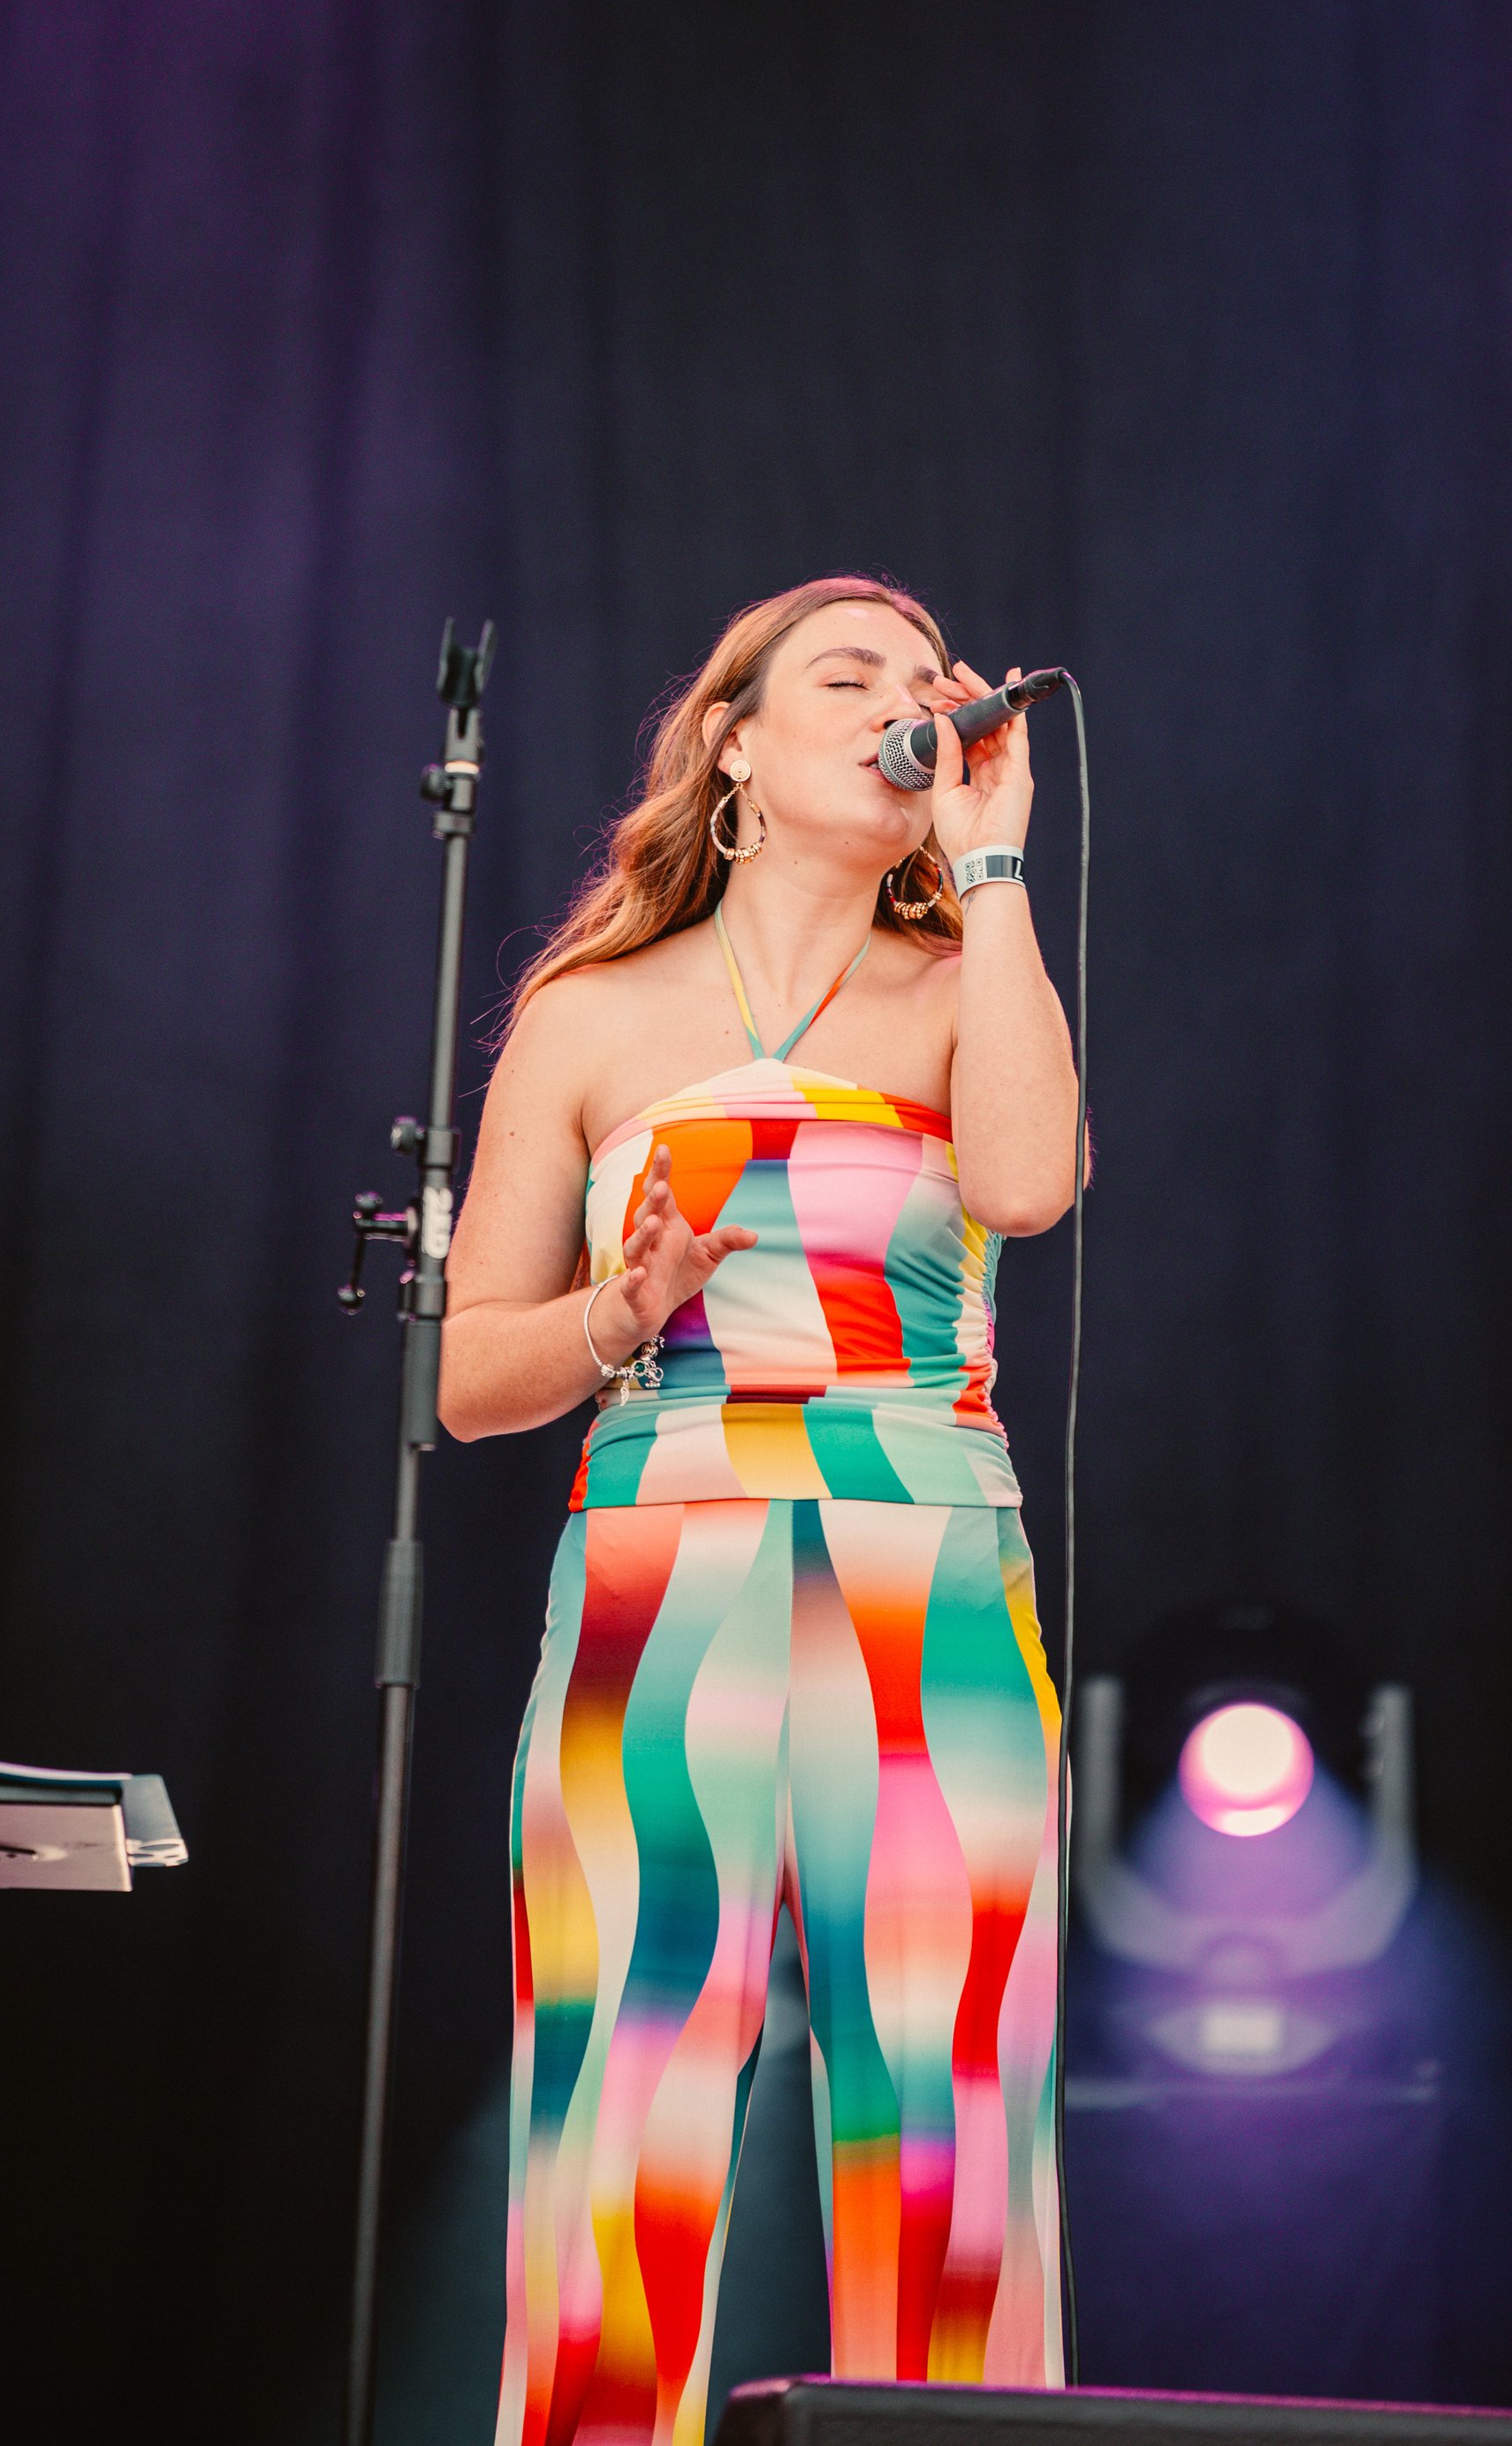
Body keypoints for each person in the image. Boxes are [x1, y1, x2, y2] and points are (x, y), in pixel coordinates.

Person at [444, 574, 1079, 2446]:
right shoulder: (588, 1013)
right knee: (618, 2103)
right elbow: (474, 1374)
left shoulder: (968, 974)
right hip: (665, 1548)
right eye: (847, 671)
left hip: (925, 1550)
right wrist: (612, 1310)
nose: (903, 699)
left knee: (948, 2106)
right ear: (731, 737)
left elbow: (1029, 1186)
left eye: (922, 677)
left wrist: (993, 865)